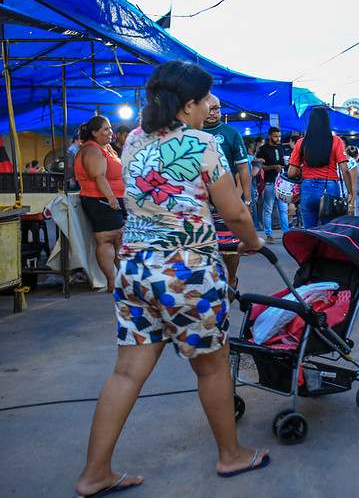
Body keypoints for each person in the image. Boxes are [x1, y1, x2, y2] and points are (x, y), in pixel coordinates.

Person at [74, 61, 269, 498]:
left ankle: (95, 473)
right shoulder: (201, 143)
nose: (209, 110)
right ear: (188, 105)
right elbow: (234, 211)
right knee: (213, 366)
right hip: (187, 274)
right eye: (205, 102)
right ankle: (231, 454)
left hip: (134, 269)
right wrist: (252, 241)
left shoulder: (133, 141)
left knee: (126, 373)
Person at [203, 94, 253, 290]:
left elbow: (243, 169)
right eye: (208, 109)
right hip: (198, 204)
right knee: (204, 246)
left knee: (230, 249)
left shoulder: (231, 134)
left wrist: (247, 201)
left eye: (216, 108)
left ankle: (232, 278)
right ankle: (214, 283)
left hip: (226, 201)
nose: (213, 113)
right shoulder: (189, 132)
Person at [74, 115, 126, 293]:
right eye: (105, 129)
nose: (110, 132)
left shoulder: (107, 148)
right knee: (107, 238)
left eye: (110, 128)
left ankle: (121, 280)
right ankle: (112, 282)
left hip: (114, 198)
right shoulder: (91, 149)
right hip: (99, 199)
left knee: (119, 238)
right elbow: (98, 176)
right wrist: (111, 198)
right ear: (94, 132)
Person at [287, 107, 354, 229]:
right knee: (329, 231)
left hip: (307, 188)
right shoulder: (336, 141)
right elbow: (344, 168)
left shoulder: (301, 142)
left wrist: (303, 168)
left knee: (310, 230)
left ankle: (312, 248)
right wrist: (350, 192)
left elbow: (291, 172)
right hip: (329, 188)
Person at [256, 127, 289, 243]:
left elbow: (283, 162)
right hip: (270, 182)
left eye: (279, 136)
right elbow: (262, 167)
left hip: (281, 183)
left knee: (283, 209)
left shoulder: (281, 147)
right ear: (270, 136)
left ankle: (287, 233)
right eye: (276, 136)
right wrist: (274, 167)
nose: (278, 138)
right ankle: (269, 234)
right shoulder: (263, 149)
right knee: (268, 209)